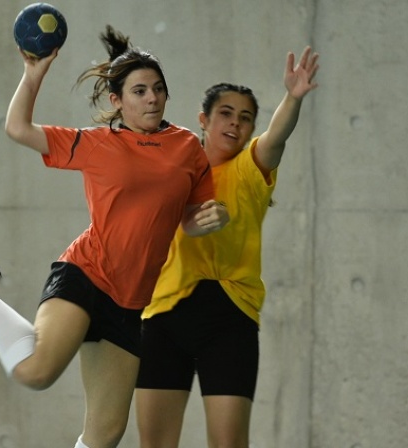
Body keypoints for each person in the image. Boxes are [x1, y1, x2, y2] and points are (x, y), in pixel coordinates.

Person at [0, 25, 229, 448]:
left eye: (158, 89)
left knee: (105, 434)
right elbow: (17, 128)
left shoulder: (188, 146)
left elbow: (187, 217)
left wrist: (212, 218)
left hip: (131, 299)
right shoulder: (96, 144)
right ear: (117, 101)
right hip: (87, 273)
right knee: (36, 372)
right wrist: (34, 73)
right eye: (139, 91)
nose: (152, 97)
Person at [134, 46, 320, 448]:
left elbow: (278, 137)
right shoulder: (171, 169)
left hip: (229, 318)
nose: (235, 123)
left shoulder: (250, 169)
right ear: (203, 119)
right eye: (225, 113)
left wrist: (293, 97)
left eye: (245, 117)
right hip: (163, 314)